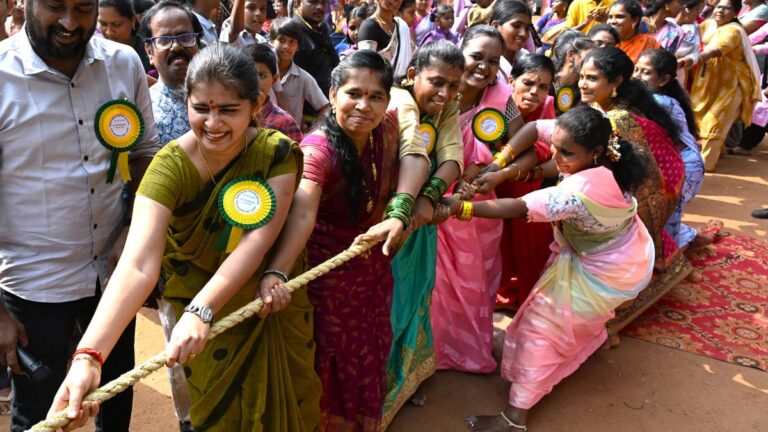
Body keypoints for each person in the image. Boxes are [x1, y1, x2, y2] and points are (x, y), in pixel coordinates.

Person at [48, 43, 323, 431]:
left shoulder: (276, 151)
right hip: (203, 320)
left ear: (257, 105)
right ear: (187, 102)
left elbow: (258, 239)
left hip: (265, 302)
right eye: (201, 108)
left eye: (228, 110)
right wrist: (89, 357)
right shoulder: (169, 167)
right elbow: (138, 263)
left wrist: (202, 309)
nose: (213, 123)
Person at [0, 0, 161, 428]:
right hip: (32, 290)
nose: (70, 23)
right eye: (55, 7)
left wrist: (134, 229)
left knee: (116, 397)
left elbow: (146, 157)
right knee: (38, 415)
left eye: (83, 8)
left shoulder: (124, 63)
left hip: (113, 279)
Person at [260, 50, 428, 431]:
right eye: (354, 93)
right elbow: (302, 212)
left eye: (375, 96)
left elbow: (419, 158)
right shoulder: (318, 150)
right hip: (328, 282)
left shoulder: (388, 127)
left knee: (370, 348)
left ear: (387, 100)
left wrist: (400, 209)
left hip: (373, 272)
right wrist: (277, 271)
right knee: (330, 360)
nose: (363, 106)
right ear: (332, 94)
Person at [461, 105, 654, 432]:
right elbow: (536, 128)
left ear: (594, 152)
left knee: (541, 330)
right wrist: (500, 164)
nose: (555, 156)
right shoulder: (593, 144)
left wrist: (461, 207)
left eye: (566, 153)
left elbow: (521, 208)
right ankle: (594, 338)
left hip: (607, 271)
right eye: (556, 147)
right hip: (623, 254)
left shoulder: (579, 192)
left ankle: (514, 418)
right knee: (570, 319)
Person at [432, 26, 534, 373]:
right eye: (477, 56)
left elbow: (527, 145)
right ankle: (434, 354)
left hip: (478, 207)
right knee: (437, 287)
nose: (484, 67)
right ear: (460, 52)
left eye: (493, 61)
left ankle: (468, 350)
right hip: (434, 203)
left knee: (474, 285)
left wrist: (499, 168)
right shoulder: (439, 90)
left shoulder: (501, 98)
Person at [382, 39, 465, 426]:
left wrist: (430, 197)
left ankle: (408, 375)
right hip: (388, 217)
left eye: (454, 86)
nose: (445, 94)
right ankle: (381, 383)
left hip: (421, 221)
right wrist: (409, 207)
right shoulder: (400, 101)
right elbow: (413, 147)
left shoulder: (448, 106)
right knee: (389, 299)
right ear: (413, 75)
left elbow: (452, 156)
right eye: (437, 82)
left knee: (418, 292)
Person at [580, 47, 684, 269]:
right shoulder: (602, 104)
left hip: (654, 181)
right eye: (581, 77)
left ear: (616, 82)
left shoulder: (620, 118)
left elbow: (640, 171)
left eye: (592, 78)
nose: (582, 84)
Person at [495, 54, 557, 310]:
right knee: (498, 242)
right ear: (511, 81)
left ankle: (526, 293)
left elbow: (552, 152)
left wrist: (532, 170)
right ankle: (500, 290)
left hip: (526, 186)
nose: (535, 92)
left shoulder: (547, 108)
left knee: (527, 240)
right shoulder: (496, 106)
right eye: (528, 83)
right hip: (493, 185)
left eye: (543, 87)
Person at [634, 49, 710, 252]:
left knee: (660, 216)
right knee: (657, 215)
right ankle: (689, 238)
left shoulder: (659, 102)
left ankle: (673, 255)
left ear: (664, 79)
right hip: (674, 164)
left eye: (646, 72)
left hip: (684, 166)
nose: (638, 76)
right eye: (636, 70)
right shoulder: (653, 99)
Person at [690, 0, 761, 171]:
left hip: (733, 85)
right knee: (700, 117)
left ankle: (705, 165)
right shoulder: (709, 24)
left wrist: (695, 58)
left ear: (736, 13)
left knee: (714, 121)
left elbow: (715, 50)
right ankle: (719, 151)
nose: (721, 10)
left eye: (727, 8)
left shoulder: (733, 31)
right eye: (718, 7)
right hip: (709, 82)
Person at [143, 0, 203, 146]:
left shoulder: (221, 97)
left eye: (185, 37)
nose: (176, 47)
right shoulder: (144, 113)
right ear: (149, 51)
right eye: (164, 40)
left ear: (198, 44)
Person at [269, 17, 330, 128]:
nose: (287, 46)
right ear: (271, 42)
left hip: (291, 139)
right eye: (281, 40)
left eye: (292, 42)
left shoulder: (303, 78)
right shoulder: (264, 74)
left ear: (298, 47)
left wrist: (312, 133)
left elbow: (325, 108)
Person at [245, 43, 304, 143]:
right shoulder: (231, 115)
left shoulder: (286, 123)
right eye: (248, 74)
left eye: (261, 75)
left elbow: (297, 157)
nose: (254, 81)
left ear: (274, 79)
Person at [291, 0, 339, 97]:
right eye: (313, 2)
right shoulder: (292, 34)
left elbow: (335, 64)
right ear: (299, 2)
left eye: (323, 3)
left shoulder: (321, 27)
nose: (320, 7)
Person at [358, 0, 415, 76]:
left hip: (404, 84)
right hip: (380, 86)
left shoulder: (402, 26)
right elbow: (366, 68)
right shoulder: (369, 27)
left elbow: (414, 55)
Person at [98, 0, 152, 71]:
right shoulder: (96, 52)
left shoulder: (150, 52)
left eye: (116, 24)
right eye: (103, 24)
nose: (109, 32)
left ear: (132, 21)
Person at [491, 0, 533, 80]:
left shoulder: (525, 57)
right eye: (516, 26)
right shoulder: (485, 61)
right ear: (496, 26)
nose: (523, 34)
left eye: (527, 28)